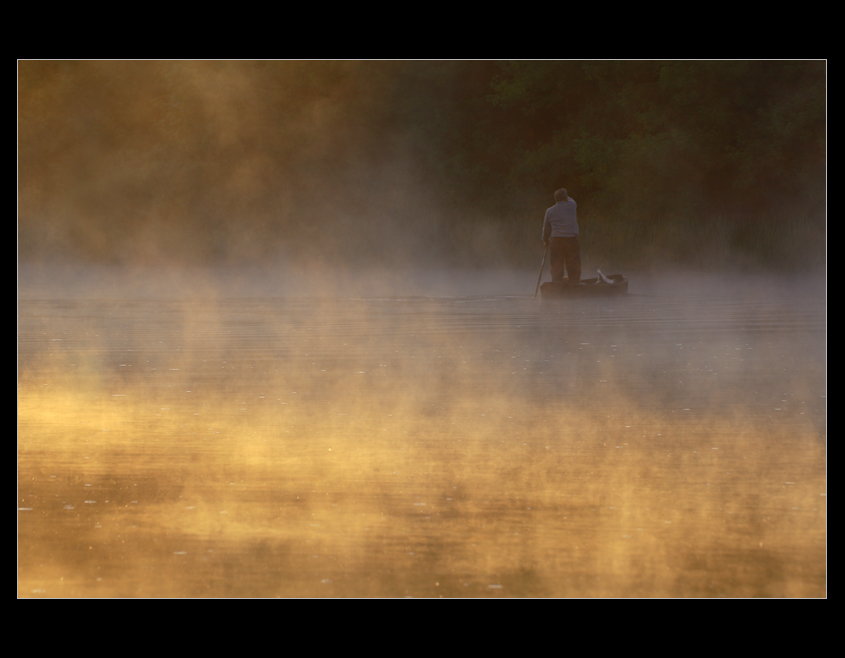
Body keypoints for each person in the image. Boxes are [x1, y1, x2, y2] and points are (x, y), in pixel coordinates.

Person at [542, 188, 581, 284]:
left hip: (556, 241)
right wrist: (565, 196)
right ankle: (574, 284)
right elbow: (569, 199)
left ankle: (557, 286)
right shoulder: (572, 205)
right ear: (566, 198)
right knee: (573, 266)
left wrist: (545, 240)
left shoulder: (549, 211)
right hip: (571, 241)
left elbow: (546, 228)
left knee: (556, 267)